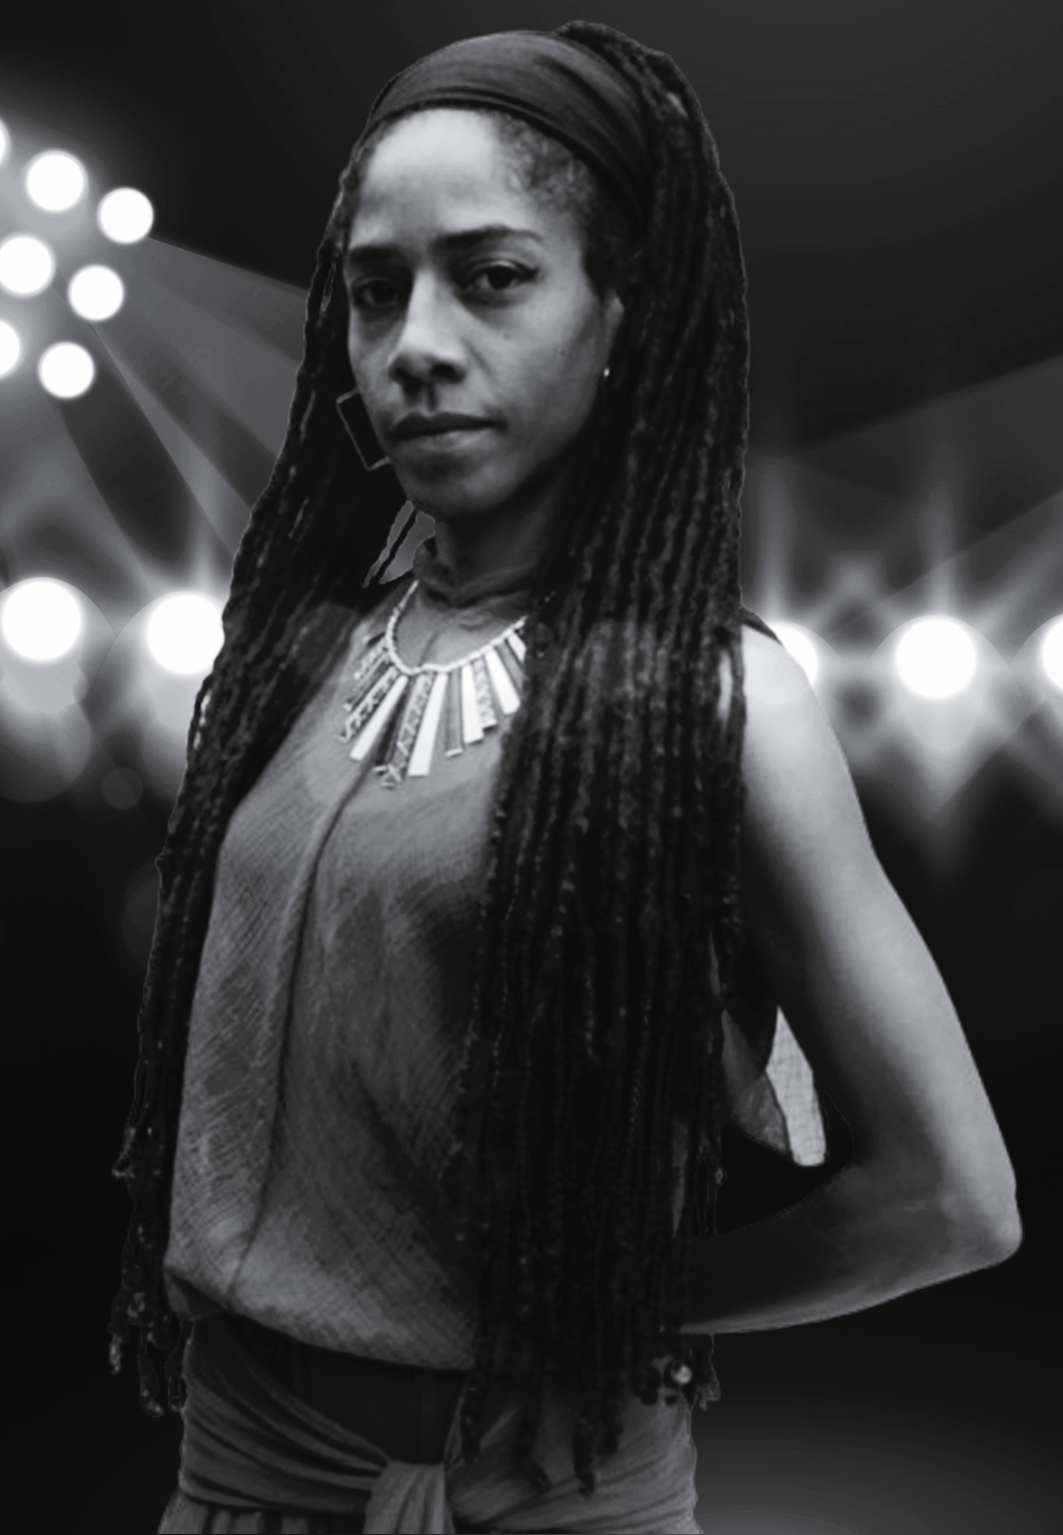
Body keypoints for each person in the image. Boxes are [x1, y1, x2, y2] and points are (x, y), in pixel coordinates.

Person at [107, 22, 1022, 1535]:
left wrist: (606, 1311)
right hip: (242, 1485)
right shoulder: (290, 656)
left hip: (538, 1500)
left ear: (622, 313)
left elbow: (950, 1198)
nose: (415, 343)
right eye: (375, 288)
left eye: (492, 276)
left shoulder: (716, 699)